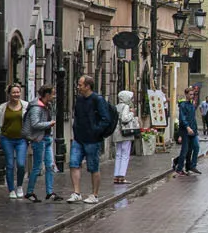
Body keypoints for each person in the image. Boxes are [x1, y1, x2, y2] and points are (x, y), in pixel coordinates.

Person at [68, 74, 111, 204]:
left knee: (93, 167)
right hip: (78, 138)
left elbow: (106, 119)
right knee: (73, 163)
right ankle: (76, 192)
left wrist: (95, 130)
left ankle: (94, 194)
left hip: (92, 140)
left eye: (80, 85)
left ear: (87, 86)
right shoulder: (79, 100)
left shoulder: (97, 100)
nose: (78, 87)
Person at [23, 86, 58, 202]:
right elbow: (35, 124)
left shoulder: (47, 106)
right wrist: (49, 124)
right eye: (52, 94)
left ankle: (50, 192)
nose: (54, 96)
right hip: (39, 139)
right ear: (46, 95)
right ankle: (29, 192)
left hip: (47, 138)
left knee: (50, 166)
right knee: (37, 167)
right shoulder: (36, 108)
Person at [0, 83, 29, 199]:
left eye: (18, 92)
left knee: (20, 164)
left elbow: (29, 122)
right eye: (14, 92)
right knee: (9, 165)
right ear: (9, 94)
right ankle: (11, 189)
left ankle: (19, 186)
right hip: (7, 139)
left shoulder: (26, 106)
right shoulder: (2, 108)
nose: (16, 94)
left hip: (21, 139)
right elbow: (0, 125)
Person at [113, 89, 138, 185]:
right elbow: (125, 118)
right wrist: (132, 113)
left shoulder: (117, 106)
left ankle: (116, 176)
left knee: (118, 154)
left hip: (117, 132)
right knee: (125, 154)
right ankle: (122, 176)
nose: (131, 100)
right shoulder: (126, 106)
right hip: (125, 133)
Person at [175, 87, 200, 176]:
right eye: (190, 94)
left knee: (196, 147)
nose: (192, 96)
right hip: (186, 131)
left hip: (193, 130)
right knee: (185, 150)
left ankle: (192, 165)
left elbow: (193, 118)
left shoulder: (192, 105)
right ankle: (179, 168)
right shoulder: (183, 105)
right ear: (186, 95)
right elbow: (182, 118)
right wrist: (187, 127)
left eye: (193, 94)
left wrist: (195, 129)